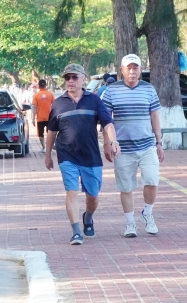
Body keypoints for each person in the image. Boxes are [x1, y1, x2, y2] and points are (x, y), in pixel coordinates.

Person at [44, 63, 119, 245]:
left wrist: (113, 141)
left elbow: (107, 123)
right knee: (72, 192)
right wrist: (48, 155)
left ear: (83, 79)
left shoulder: (94, 100)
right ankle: (76, 231)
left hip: (90, 155)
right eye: (67, 78)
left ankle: (88, 217)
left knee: (93, 196)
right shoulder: (58, 103)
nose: (70, 81)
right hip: (67, 155)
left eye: (74, 77)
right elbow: (52, 132)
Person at [101, 54, 164, 238]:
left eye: (135, 68)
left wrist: (159, 142)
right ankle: (130, 224)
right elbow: (106, 120)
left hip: (147, 146)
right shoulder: (111, 91)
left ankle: (147, 213)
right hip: (123, 149)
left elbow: (154, 116)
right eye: (128, 68)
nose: (132, 71)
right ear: (121, 70)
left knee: (152, 180)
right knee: (126, 187)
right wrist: (107, 143)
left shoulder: (148, 89)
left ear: (140, 70)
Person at [31, 78, 55, 153]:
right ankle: (50, 145)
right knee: (50, 132)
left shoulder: (36, 95)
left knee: (40, 134)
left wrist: (33, 118)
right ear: (46, 85)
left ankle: (44, 147)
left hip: (40, 118)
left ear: (38, 86)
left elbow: (33, 107)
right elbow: (54, 105)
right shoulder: (50, 94)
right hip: (49, 117)